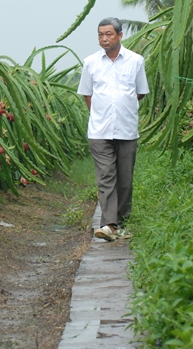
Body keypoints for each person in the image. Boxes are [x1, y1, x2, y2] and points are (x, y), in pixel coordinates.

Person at [77, 17, 149, 242]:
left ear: (120, 35)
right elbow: (87, 94)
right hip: (99, 130)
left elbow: (140, 92)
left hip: (127, 129)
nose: (104, 38)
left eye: (108, 34)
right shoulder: (90, 63)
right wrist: (101, 113)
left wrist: (121, 107)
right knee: (106, 176)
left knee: (125, 179)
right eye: (100, 34)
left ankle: (121, 222)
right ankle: (109, 225)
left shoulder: (136, 61)